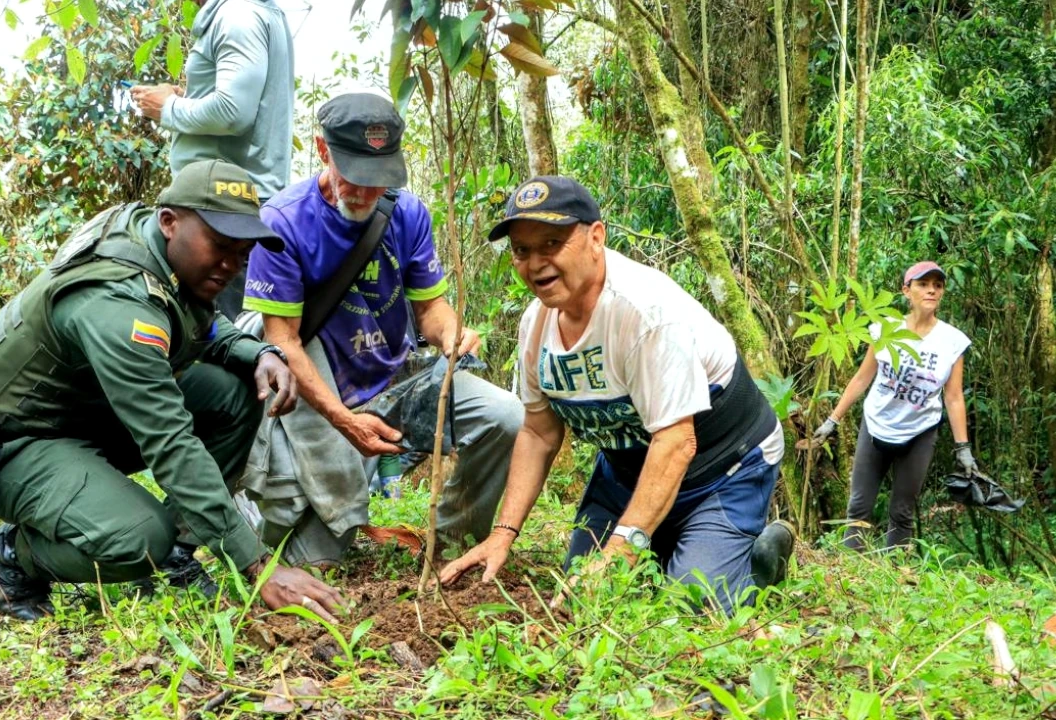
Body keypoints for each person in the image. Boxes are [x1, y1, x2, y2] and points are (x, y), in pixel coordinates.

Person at [0, 159, 343, 622]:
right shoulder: (118, 306)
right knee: (140, 540)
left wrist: (258, 353)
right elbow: (171, 444)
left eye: (242, 253)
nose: (231, 265)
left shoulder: (161, 251)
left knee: (237, 393)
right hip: (16, 438)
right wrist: (257, 564)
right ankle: (16, 554)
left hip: (83, 407)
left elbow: (198, 324)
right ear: (169, 222)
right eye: (220, 245)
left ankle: (177, 554)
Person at [440, 176, 795, 614]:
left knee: (690, 603)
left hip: (722, 465)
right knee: (583, 601)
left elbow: (677, 441)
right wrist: (503, 533)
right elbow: (538, 433)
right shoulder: (535, 326)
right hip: (628, 470)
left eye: (552, 242)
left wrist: (621, 550)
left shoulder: (645, 313)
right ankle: (670, 543)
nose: (536, 263)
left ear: (596, 237)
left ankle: (757, 564)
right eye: (522, 250)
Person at [240, 92, 523, 568]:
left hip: (393, 375)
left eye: (380, 180)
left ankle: (452, 544)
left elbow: (431, 310)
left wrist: (453, 334)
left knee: (506, 417)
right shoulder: (283, 223)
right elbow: (283, 340)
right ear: (323, 151)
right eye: (356, 178)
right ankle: (251, 515)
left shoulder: (408, 213)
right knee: (316, 554)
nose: (367, 193)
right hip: (322, 386)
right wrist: (344, 421)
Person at [130, 0, 294, 320]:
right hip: (232, 204)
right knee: (225, 335)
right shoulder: (255, 12)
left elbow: (233, 113)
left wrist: (168, 109)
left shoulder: (237, 15)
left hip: (224, 210)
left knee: (227, 338)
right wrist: (181, 100)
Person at [812, 261, 975, 551]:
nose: (931, 291)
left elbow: (953, 397)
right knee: (858, 508)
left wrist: (963, 448)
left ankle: (895, 579)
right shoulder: (885, 328)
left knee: (902, 512)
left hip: (920, 431)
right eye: (923, 285)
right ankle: (853, 572)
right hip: (876, 425)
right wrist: (832, 421)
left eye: (937, 286)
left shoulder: (952, 341)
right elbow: (862, 378)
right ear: (906, 291)